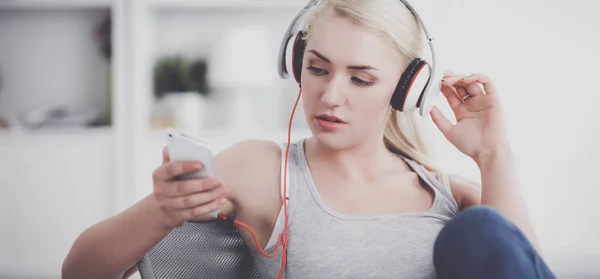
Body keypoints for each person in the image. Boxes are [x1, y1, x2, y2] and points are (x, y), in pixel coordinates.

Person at [62, 0, 557, 278]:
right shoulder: (261, 170)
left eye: (361, 79)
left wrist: (493, 155)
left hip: (475, 223)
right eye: (317, 69)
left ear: (406, 89)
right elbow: (79, 272)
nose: (329, 96)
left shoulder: (452, 196)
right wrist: (159, 211)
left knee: (483, 234)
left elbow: (522, 264)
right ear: (296, 62)